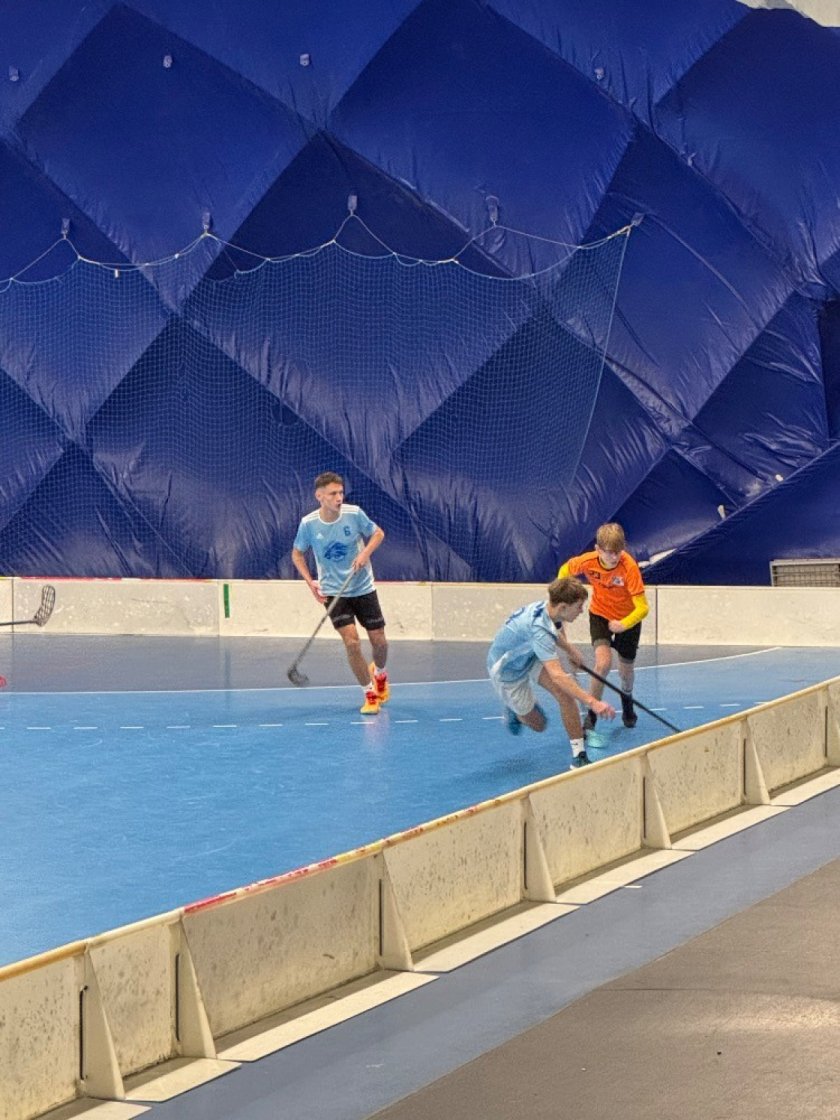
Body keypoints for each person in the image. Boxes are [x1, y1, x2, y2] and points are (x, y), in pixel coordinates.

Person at [487, 577, 616, 768]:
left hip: (529, 655)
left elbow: (554, 630)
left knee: (565, 694)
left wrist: (570, 650)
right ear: (563, 607)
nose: (582, 611)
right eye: (579, 607)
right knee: (540, 725)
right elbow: (557, 675)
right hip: (507, 671)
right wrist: (593, 702)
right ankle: (516, 712)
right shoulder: (539, 629)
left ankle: (579, 755)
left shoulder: (549, 610)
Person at [292, 471, 390, 714]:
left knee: (379, 641)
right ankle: (369, 693)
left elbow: (378, 533)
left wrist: (364, 553)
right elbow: (297, 554)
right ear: (319, 496)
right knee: (352, 642)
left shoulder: (354, 514)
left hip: (363, 587)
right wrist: (310, 583)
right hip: (334, 592)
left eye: (341, 492)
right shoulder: (308, 524)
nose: (339, 498)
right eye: (333, 493)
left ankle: (379, 674)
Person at [558, 522, 649, 730]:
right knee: (603, 663)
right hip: (600, 615)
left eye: (618, 552)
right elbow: (565, 569)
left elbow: (643, 607)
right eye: (609, 552)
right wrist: (562, 592)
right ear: (598, 549)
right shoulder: (588, 561)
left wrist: (624, 624)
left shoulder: (629, 567)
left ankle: (627, 699)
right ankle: (592, 714)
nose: (614, 557)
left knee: (626, 672)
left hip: (628, 620)